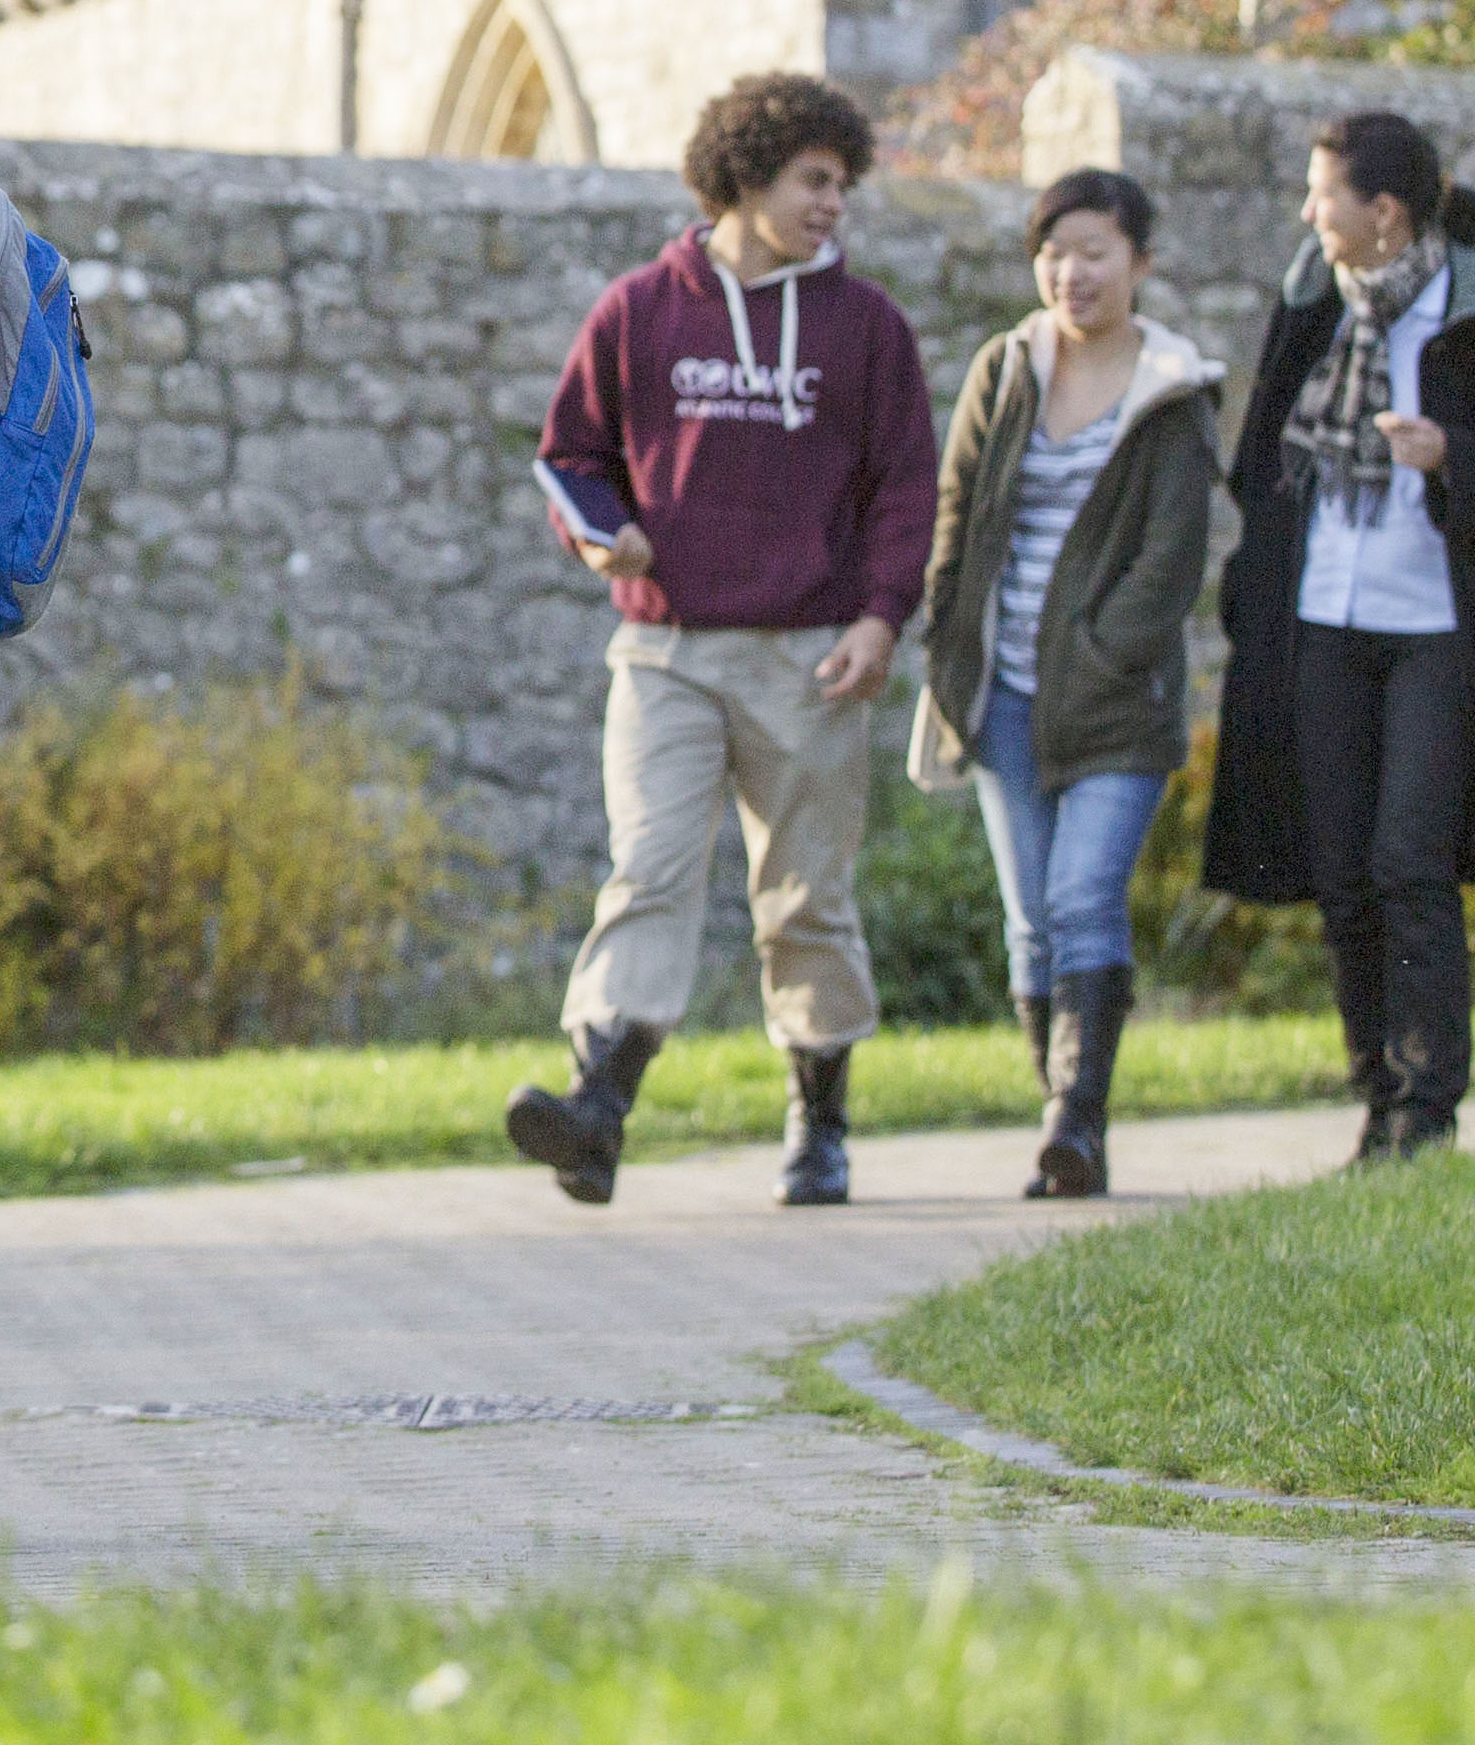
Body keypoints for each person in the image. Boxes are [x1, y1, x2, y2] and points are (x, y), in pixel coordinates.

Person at [502, 72, 936, 1211]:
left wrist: (883, 616)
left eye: (844, 184)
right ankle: (598, 1110)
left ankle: (820, 1124)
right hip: (668, 651)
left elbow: (905, 489)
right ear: (748, 173)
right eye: (815, 179)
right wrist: (603, 539)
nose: (834, 202)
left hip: (812, 656)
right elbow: (570, 457)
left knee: (804, 899)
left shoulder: (868, 328)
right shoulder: (642, 308)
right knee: (647, 870)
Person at [1197, 109, 1475, 1162]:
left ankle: (1430, 1109)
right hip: (1324, 622)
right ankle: (1377, 1099)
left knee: (1406, 860)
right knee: (1339, 866)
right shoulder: (1313, 305)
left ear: (1383, 212)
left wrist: (1451, 457)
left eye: (1323, 194)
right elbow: (1262, 464)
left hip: (1438, 630)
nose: (1308, 212)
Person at [910, 167, 1221, 1201]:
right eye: (1054, 251)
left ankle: (1076, 1122)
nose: (1071, 272)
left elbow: (1173, 558)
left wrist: (1096, 655)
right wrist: (949, 639)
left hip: (1115, 700)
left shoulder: (1172, 390)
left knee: (1086, 895)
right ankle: (1062, 1119)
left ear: (1139, 261)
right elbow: (956, 508)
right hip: (1001, 692)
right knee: (1032, 918)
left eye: (1094, 251)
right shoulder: (1006, 369)